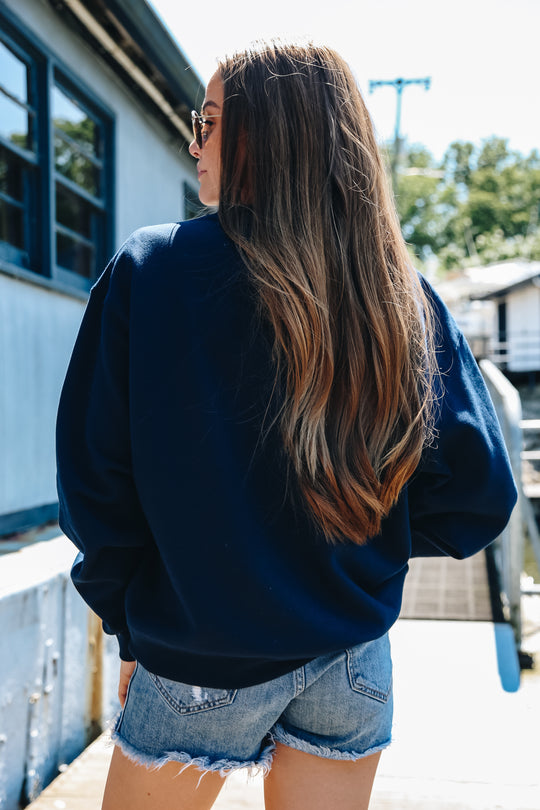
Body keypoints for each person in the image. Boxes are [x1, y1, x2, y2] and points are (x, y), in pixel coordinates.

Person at [56, 42, 517, 810]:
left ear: (270, 137)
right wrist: (354, 551)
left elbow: (95, 485)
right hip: (349, 653)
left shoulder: (153, 269)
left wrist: (132, 627)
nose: (194, 143)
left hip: (198, 650)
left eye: (206, 122)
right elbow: (476, 496)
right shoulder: (399, 292)